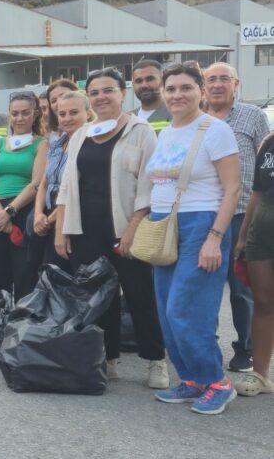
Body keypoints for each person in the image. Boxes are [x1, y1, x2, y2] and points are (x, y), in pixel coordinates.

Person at [52, 79, 168, 388]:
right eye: (95, 92)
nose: (101, 97)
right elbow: (66, 187)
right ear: (88, 98)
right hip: (85, 229)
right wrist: (62, 231)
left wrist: (132, 229)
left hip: (125, 227)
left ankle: (156, 361)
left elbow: (149, 183)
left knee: (140, 295)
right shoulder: (80, 135)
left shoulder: (140, 130)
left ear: (122, 93)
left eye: (108, 91)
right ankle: (108, 358)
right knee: (99, 298)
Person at [147, 62, 241, 415]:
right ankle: (191, 378)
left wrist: (215, 237)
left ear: (200, 91)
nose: (177, 95)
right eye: (170, 89)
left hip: (201, 223)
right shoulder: (167, 132)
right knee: (166, 312)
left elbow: (232, 189)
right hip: (165, 225)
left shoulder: (214, 130)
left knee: (186, 310)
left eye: (185, 87)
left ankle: (217, 381)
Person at [204, 62, 267, 372]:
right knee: (205, 284)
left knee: (241, 287)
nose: (217, 84)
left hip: (242, 212)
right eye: (211, 79)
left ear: (236, 83)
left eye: (223, 79)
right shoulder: (197, 119)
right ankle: (207, 346)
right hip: (204, 213)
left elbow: (267, 163)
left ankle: (245, 350)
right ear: (203, 86)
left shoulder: (253, 116)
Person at [0, 91, 48, 343]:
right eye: (15, 113)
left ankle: (21, 332)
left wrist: (11, 211)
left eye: (25, 112)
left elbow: (36, 183)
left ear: (35, 113)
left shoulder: (42, 144)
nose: (19, 118)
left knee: (24, 273)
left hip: (23, 210)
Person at [235, 130, 274, 397]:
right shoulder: (270, 142)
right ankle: (260, 375)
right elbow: (257, 193)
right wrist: (242, 236)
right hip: (262, 228)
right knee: (263, 302)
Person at [32, 90, 88, 272]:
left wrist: (49, 220)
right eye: (62, 114)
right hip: (47, 217)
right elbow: (44, 182)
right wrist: (38, 214)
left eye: (74, 113)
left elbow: (76, 190)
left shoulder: (90, 144)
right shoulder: (57, 144)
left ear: (87, 113)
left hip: (71, 218)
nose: (67, 118)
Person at [131, 59, 171, 133]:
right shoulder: (128, 118)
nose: (144, 85)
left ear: (163, 81)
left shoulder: (175, 115)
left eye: (149, 79)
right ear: (133, 85)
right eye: (138, 81)